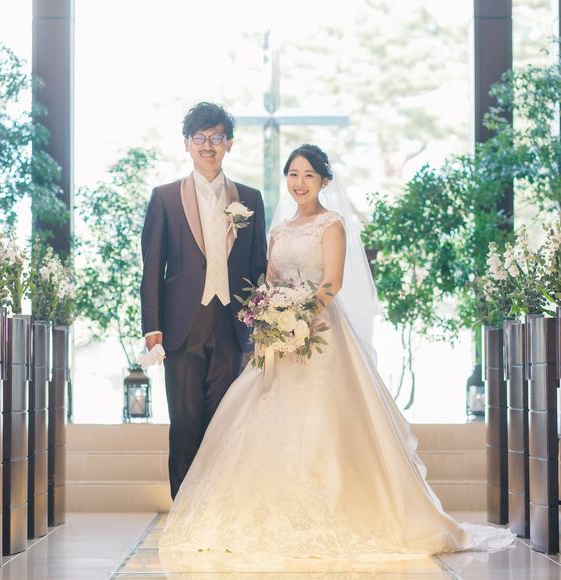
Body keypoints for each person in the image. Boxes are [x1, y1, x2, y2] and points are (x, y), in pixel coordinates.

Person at [158, 144, 515, 572]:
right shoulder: (279, 230)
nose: (299, 183)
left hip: (321, 334)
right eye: (293, 174)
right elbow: (269, 279)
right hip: (280, 341)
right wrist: (271, 316)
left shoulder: (332, 225)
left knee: (323, 424)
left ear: (324, 181)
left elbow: (332, 282)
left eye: (308, 175)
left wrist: (299, 318)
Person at [140, 102, 267, 500]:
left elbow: (258, 266)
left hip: (232, 324)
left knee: (224, 421)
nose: (208, 145)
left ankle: (216, 508)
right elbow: (152, 267)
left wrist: (259, 327)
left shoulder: (250, 198)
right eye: (200, 138)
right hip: (181, 324)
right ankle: (183, 510)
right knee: (184, 421)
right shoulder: (164, 198)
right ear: (186, 144)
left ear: (229, 144)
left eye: (216, 138)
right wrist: (152, 327)